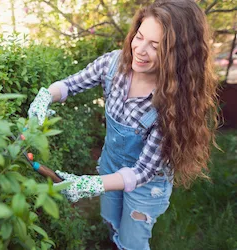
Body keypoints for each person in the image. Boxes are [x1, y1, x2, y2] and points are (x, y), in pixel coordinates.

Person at [27, 0, 220, 249]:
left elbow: (141, 173)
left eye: (155, 46)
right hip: (110, 165)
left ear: (177, 56)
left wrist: (90, 184)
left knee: (132, 240)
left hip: (146, 186)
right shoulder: (113, 65)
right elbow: (70, 85)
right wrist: (45, 96)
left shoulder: (172, 105)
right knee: (111, 219)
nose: (140, 49)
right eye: (139, 37)